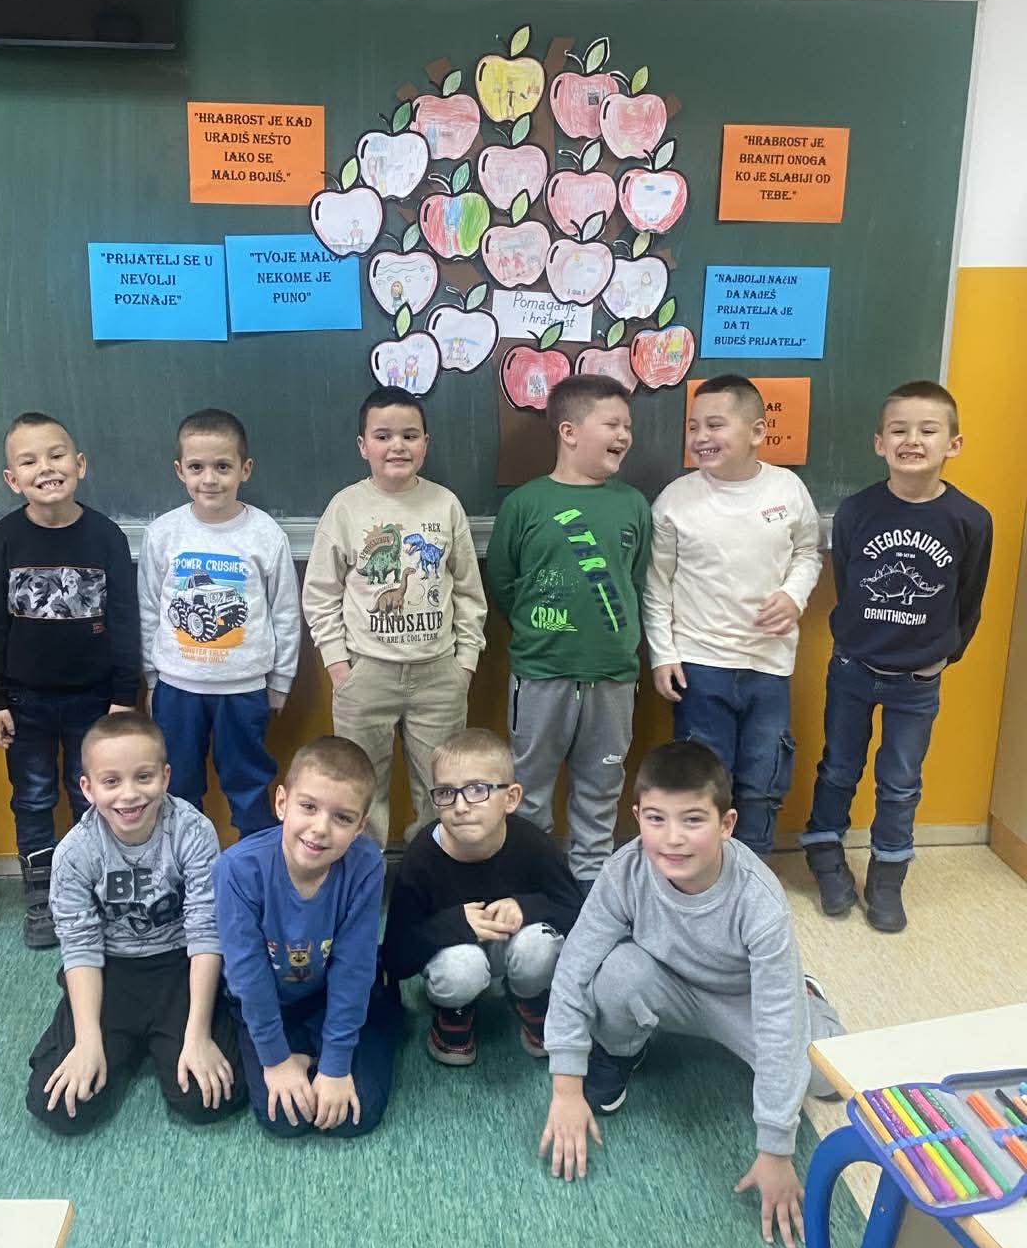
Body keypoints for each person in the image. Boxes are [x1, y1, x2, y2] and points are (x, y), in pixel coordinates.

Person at [540, 740, 844, 1248]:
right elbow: (574, 967)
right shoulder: (624, 871)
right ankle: (622, 1053)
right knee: (616, 972)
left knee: (827, 1078)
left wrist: (775, 1148)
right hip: (668, 984)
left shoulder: (759, 899)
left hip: (742, 999)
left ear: (726, 824)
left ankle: (807, 989)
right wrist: (566, 1087)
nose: (673, 838)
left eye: (693, 820)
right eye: (656, 819)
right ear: (637, 817)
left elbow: (777, 1023)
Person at [802, 381, 992, 931]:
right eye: (899, 430)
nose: (913, 440)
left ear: (953, 444)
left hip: (918, 681)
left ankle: (888, 874)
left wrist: (942, 655)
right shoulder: (857, 510)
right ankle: (825, 854)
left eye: (928, 430)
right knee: (839, 767)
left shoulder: (970, 519)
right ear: (879, 443)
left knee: (901, 781)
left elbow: (969, 598)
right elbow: (849, 585)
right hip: (853, 668)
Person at [26, 710, 244, 1134]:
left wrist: (197, 1035)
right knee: (59, 1107)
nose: (129, 795)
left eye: (143, 777)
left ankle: (164, 1039)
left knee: (209, 1099)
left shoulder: (193, 832)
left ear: (165, 776)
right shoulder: (75, 852)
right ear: (87, 788)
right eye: (111, 782)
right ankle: (111, 1040)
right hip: (111, 971)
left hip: (179, 966)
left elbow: (205, 932)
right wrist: (88, 1041)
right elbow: (80, 947)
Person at [0, 412, 140, 949]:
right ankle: (43, 894)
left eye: (56, 455)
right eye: (29, 461)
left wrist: (124, 695)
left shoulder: (106, 536)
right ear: (12, 479)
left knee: (92, 795)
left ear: (80, 464)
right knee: (32, 797)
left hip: (95, 699)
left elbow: (125, 621)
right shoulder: (3, 539)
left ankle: (93, 886)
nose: (45, 468)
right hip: (24, 701)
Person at [643, 374, 822, 854]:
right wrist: (663, 654)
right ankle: (703, 872)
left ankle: (753, 871)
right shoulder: (675, 500)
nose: (701, 437)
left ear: (758, 431)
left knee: (764, 779)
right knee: (703, 781)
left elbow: (808, 551)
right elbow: (656, 584)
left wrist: (794, 595)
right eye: (694, 426)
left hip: (769, 664)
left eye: (715, 425)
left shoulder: (787, 489)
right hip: (700, 665)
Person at [302, 387, 486, 847]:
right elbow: (320, 592)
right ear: (363, 445)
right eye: (383, 436)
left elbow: (469, 591)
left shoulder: (445, 504)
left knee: (442, 792)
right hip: (366, 674)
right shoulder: (345, 507)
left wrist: (464, 665)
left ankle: (430, 874)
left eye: (409, 435)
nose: (397, 446)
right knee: (358, 791)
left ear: (426, 442)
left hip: (438, 674)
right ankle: (366, 876)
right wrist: (339, 666)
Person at [486, 374, 649, 887]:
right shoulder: (526, 504)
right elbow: (504, 582)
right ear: (569, 432)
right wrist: (543, 629)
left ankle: (589, 888)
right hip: (541, 673)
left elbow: (636, 581)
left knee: (600, 790)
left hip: (613, 676)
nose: (624, 435)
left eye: (628, 426)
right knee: (528, 791)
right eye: (612, 424)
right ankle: (532, 884)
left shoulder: (633, 505)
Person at [213, 735, 401, 1140]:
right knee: (286, 1118)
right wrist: (276, 1060)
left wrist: (335, 1066)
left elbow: (353, 969)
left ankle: (364, 1028)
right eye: (309, 807)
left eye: (342, 818)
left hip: (330, 992)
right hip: (268, 999)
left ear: (360, 826)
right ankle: (300, 1052)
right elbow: (247, 976)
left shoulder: (367, 864)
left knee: (355, 1115)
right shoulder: (237, 869)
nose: (320, 829)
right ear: (282, 802)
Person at [140, 408, 299, 836]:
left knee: (249, 783)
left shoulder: (265, 533)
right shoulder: (164, 533)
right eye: (197, 467)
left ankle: (254, 860)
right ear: (180, 470)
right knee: (178, 786)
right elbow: (150, 609)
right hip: (178, 686)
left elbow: (285, 611)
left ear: (245, 469)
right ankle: (184, 863)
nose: (209, 479)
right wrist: (152, 677)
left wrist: (281, 680)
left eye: (222, 467)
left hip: (244, 688)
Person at [384, 727, 583, 1065]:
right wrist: (455, 924)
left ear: (511, 798)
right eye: (446, 792)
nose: (461, 806)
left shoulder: (534, 845)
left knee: (540, 945)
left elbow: (577, 914)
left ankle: (529, 996)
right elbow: (396, 957)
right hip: (452, 956)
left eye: (477, 789)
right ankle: (455, 1009)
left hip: (514, 946)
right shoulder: (420, 858)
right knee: (461, 967)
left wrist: (526, 907)